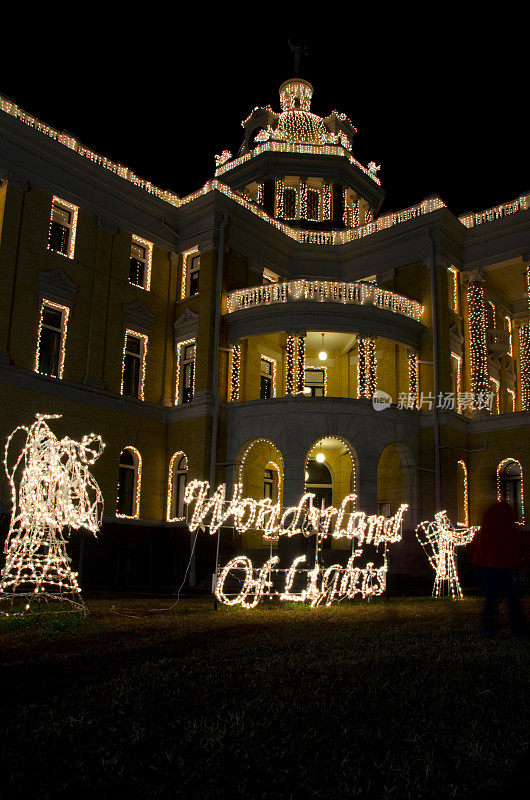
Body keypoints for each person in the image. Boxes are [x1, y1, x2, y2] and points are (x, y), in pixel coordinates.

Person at [473, 500, 528, 640]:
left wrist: (480, 562)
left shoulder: (489, 529)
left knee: (491, 600)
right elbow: (519, 546)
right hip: (507, 568)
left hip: (492, 567)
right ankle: (518, 630)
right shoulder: (510, 529)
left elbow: (482, 546)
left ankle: (488, 629)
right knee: (512, 600)